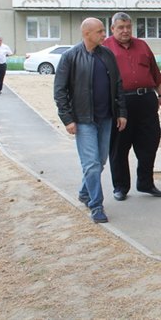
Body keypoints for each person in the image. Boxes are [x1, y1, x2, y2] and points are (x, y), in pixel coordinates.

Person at [54, 18, 127, 223]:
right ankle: (96, 206)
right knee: (91, 164)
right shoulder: (70, 57)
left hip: (106, 118)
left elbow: (118, 84)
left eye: (104, 31)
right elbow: (60, 91)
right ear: (87, 34)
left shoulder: (107, 55)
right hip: (83, 119)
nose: (104, 35)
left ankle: (84, 192)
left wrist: (121, 112)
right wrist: (67, 119)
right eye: (100, 31)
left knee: (100, 161)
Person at [103, 12, 161, 201]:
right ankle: (120, 186)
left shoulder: (142, 45)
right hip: (120, 103)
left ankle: (146, 182)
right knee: (119, 146)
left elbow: (155, 73)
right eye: (121, 27)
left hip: (146, 100)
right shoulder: (105, 48)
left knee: (150, 142)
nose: (125, 31)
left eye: (128, 27)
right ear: (112, 28)